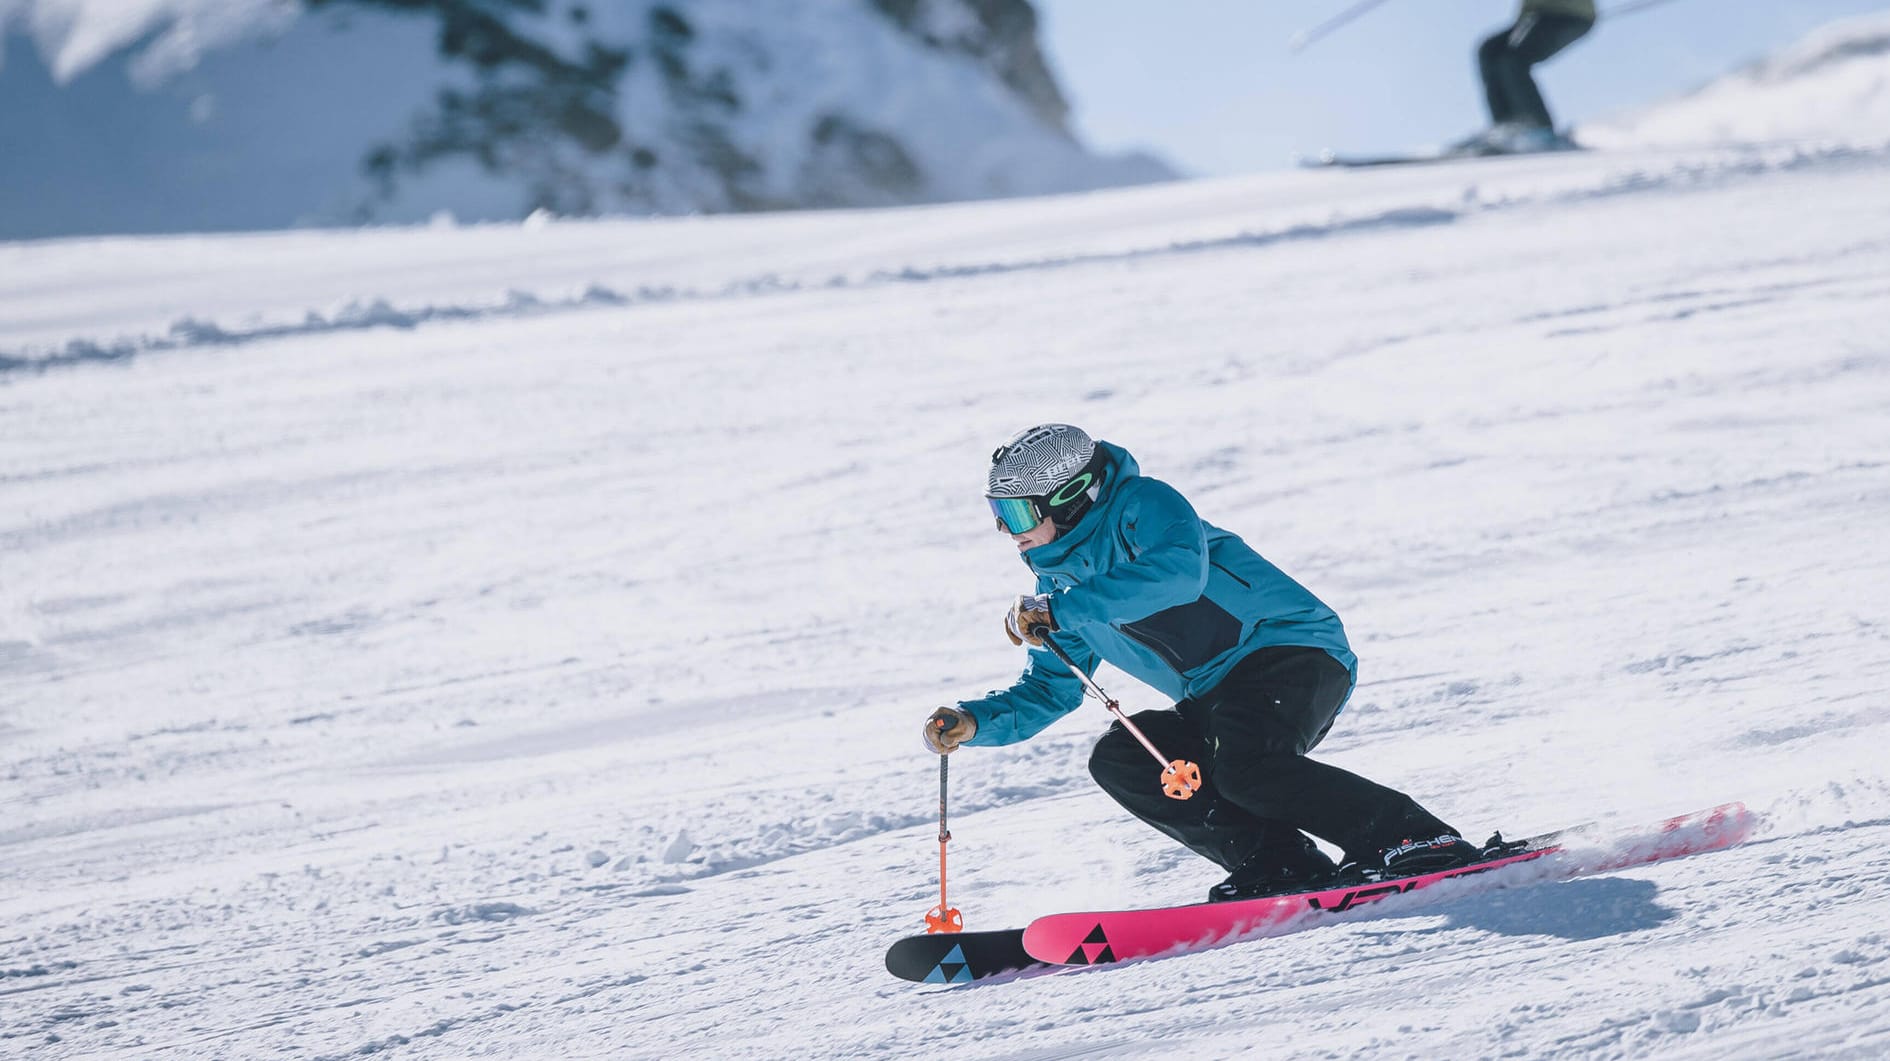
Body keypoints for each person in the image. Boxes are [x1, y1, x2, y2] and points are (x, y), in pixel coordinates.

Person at [922, 424, 1483, 903]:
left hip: (1291, 652)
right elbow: (1054, 688)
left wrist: (1063, 608)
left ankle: (1415, 838)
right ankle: (1280, 860)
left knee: (1246, 766)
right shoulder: (1055, 583)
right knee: (1125, 756)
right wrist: (976, 722)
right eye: (999, 513)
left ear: (1072, 497)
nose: (1005, 529)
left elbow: (1178, 574)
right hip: (1214, 693)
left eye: (1016, 512)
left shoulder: (1143, 506)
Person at [1469, 0, 1597, 154]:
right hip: (1537, 15)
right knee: (1490, 51)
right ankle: (1507, 128)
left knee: (1513, 59)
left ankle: (1540, 131)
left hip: (1570, 13)